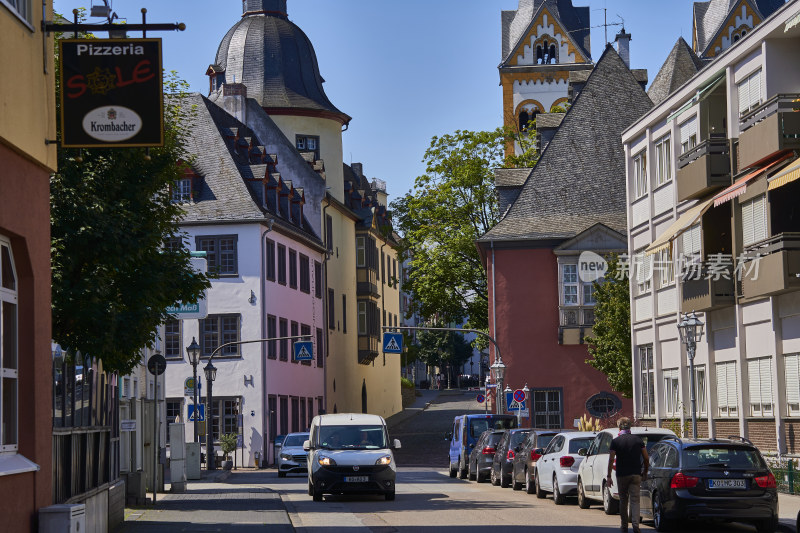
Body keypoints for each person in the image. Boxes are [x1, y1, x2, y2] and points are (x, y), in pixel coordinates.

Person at [606, 417, 649, 533]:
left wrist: (609, 476)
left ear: (619, 427)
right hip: (636, 474)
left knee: (623, 500)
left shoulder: (616, 442)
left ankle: (624, 526)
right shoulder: (638, 440)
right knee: (635, 500)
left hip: (621, 475)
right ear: (630, 427)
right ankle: (636, 525)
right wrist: (645, 471)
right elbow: (646, 457)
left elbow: (611, 459)